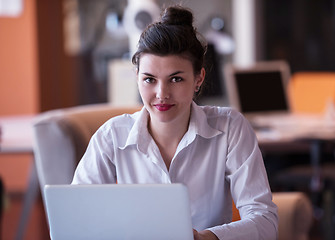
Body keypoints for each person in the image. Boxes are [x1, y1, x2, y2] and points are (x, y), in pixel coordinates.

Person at [72, 5, 278, 240]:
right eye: (149, 79)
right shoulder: (111, 136)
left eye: (176, 79)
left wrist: (205, 239)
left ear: (198, 78)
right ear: (137, 77)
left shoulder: (230, 128)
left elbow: (264, 220)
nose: (162, 93)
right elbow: (77, 220)